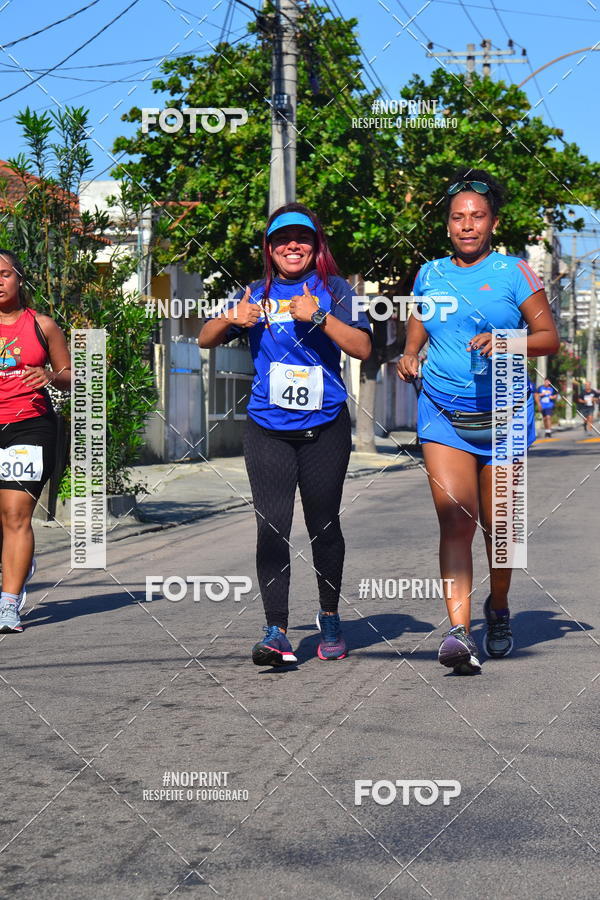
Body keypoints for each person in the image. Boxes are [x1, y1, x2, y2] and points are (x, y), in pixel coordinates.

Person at [397, 168, 559, 674]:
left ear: (493, 222)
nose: (468, 225)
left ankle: (500, 607)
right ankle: (459, 634)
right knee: (455, 518)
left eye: (477, 216)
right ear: (447, 225)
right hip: (443, 412)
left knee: (501, 529)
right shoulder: (430, 274)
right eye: (458, 217)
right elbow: (420, 321)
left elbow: (549, 338)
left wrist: (508, 341)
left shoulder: (515, 272)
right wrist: (409, 354)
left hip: (506, 411)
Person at [199, 204, 372, 665]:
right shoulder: (254, 292)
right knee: (272, 527)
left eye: (302, 239)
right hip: (267, 428)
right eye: (282, 240)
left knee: (324, 526)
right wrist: (232, 320)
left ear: (316, 247)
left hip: (325, 427)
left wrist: (319, 317)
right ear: (270, 249)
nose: (292, 246)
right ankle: (276, 629)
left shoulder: (336, 290)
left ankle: (330, 616)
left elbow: (362, 347)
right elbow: (204, 337)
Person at [0, 250, 72, 633]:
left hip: (29, 426)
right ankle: (16, 563)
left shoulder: (42, 325)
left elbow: (69, 374)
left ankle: (8, 604)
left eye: (4, 274)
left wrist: (49, 374)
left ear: (19, 280)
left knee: (15, 515)